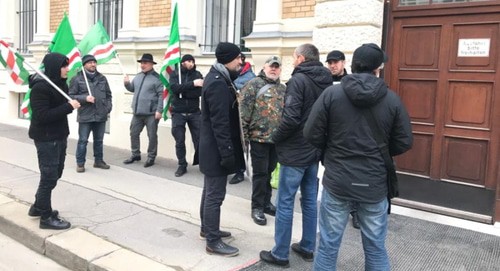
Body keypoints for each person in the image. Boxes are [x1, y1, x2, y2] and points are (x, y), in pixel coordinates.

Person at [304, 43, 413, 271]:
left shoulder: (332, 94)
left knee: (327, 247)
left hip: (338, 181)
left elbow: (311, 132)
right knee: (375, 248)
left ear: (352, 65)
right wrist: (378, 151)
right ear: (377, 69)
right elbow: (404, 142)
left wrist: (331, 151)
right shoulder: (392, 99)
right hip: (373, 184)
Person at [259, 44, 333, 267]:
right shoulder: (327, 80)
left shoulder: (298, 81)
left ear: (301, 58)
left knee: (285, 201)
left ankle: (280, 253)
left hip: (295, 151)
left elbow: (291, 118)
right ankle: (308, 246)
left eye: (294, 57)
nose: (292, 61)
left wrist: (276, 137)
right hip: (314, 149)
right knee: (310, 199)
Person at [198, 42, 244, 257]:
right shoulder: (217, 83)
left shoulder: (219, 78)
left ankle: (208, 229)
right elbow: (220, 122)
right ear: (228, 59)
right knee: (215, 195)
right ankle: (213, 242)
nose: (240, 62)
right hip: (216, 149)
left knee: (210, 192)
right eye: (238, 58)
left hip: (212, 147)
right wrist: (227, 153)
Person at [27, 52, 81, 229]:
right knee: (49, 177)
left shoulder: (59, 84)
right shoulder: (40, 87)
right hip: (46, 138)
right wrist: (68, 106)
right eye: (64, 66)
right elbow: (42, 116)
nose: (67, 69)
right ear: (54, 68)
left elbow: (61, 107)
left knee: (55, 174)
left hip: (59, 135)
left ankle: (37, 206)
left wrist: (72, 103)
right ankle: (45, 217)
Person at [239, 56, 286, 226]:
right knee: (260, 174)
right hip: (258, 139)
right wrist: (243, 139)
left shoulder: (283, 88)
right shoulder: (253, 85)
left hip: (276, 140)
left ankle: (267, 203)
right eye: (271, 66)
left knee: (269, 171)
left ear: (280, 69)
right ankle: (257, 207)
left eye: (277, 67)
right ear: (264, 67)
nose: (274, 69)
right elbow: (243, 113)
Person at [326, 49, 359, 229]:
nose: (333, 65)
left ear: (343, 63)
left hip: (347, 134)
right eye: (330, 62)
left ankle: (355, 211)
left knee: (351, 173)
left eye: (336, 62)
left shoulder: (351, 82)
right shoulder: (323, 80)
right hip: (329, 134)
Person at [69, 54, 113, 173]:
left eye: (94, 62)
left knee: (99, 140)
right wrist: (84, 98)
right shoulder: (77, 79)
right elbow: (71, 96)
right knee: (83, 140)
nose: (93, 64)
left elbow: (108, 95)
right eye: (90, 62)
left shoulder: (102, 78)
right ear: (84, 65)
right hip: (85, 115)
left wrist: (107, 108)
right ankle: (80, 163)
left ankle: (98, 161)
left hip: (100, 114)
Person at [123, 53, 164, 168]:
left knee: (152, 136)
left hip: (151, 113)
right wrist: (126, 83)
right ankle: (135, 154)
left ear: (151, 64)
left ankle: (151, 157)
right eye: (141, 63)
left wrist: (159, 110)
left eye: (145, 63)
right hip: (137, 113)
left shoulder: (157, 78)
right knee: (133, 133)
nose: (142, 65)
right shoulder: (138, 76)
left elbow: (162, 95)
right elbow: (132, 89)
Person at [169, 54, 204, 177]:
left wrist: (184, 92)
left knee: (199, 140)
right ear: (183, 62)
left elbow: (200, 92)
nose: (191, 63)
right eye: (188, 61)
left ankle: (203, 164)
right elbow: (174, 88)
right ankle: (182, 165)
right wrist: (192, 84)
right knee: (179, 141)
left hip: (194, 112)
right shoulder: (175, 74)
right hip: (178, 112)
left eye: (192, 61)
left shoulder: (197, 74)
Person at [229, 53, 256, 184]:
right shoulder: (231, 73)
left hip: (245, 115)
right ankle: (237, 169)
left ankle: (243, 170)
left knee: (243, 144)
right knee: (234, 143)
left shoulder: (250, 76)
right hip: (232, 113)